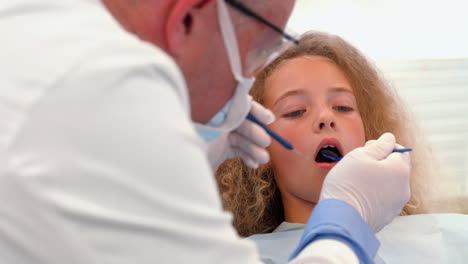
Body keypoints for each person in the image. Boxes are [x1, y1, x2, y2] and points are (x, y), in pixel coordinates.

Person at [0, 1, 410, 263]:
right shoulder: (105, 88)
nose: (325, 118)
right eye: (259, 53)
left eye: (342, 106)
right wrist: (347, 220)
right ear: (188, 18)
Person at [215, 31, 468, 263]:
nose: (326, 117)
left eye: (343, 107)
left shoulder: (454, 237)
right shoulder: (236, 258)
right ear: (256, 146)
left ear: (368, 132)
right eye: (295, 111)